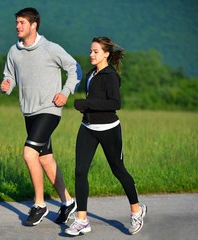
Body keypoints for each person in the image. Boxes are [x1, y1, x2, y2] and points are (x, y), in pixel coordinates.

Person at [0, 7, 82, 226]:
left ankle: (40, 204)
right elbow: (10, 76)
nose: (17, 26)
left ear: (33, 25)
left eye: (21, 23)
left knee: (29, 154)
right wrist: (7, 85)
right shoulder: (14, 51)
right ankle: (67, 202)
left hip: (49, 110)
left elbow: (76, 68)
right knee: (45, 158)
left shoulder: (50, 48)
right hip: (28, 111)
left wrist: (65, 92)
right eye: (16, 22)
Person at [65, 37, 147, 236]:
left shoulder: (110, 75)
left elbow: (114, 103)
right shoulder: (91, 74)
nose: (91, 54)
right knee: (80, 171)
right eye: (90, 51)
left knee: (118, 170)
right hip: (88, 128)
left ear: (106, 54)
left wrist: (86, 104)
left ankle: (136, 211)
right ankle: (82, 220)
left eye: (95, 51)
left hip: (109, 129)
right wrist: (86, 108)